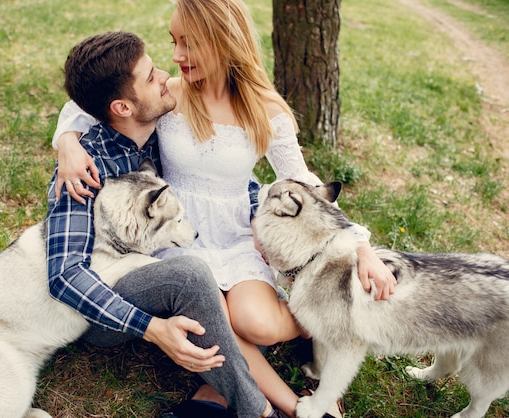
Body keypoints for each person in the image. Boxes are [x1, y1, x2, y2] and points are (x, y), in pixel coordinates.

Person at [52, 1, 397, 416]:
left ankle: (319, 321)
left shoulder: (264, 109)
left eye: (188, 43)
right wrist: (66, 143)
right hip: (177, 235)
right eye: (173, 41)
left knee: (256, 324)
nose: (176, 56)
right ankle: (294, 408)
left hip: (236, 231)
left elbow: (303, 181)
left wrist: (362, 249)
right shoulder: (169, 96)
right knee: (216, 316)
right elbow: (90, 102)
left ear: (223, 42)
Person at [47, 31, 288, 418]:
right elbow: (64, 276)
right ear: (123, 107)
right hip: (99, 311)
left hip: (160, 264)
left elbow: (222, 178)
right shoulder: (84, 170)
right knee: (191, 276)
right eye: (150, 76)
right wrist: (150, 328)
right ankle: (260, 409)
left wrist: (258, 210)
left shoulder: (160, 131)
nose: (165, 74)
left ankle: (216, 394)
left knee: (222, 299)